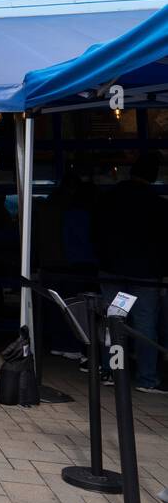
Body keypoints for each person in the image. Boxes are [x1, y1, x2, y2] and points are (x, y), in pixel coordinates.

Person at [93, 151, 168, 394]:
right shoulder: (157, 204)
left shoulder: (109, 198)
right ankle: (147, 378)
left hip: (111, 269)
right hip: (145, 272)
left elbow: (96, 231)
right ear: (153, 176)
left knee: (113, 320)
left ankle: (111, 370)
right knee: (145, 325)